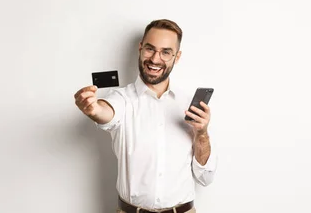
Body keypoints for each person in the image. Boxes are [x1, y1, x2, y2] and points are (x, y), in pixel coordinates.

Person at [73, 19, 217, 213]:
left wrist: (202, 134)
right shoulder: (121, 99)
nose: (155, 59)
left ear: (177, 57)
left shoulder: (189, 106)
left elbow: (205, 178)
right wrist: (94, 109)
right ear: (140, 49)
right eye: (150, 49)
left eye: (166, 52)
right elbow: (107, 113)